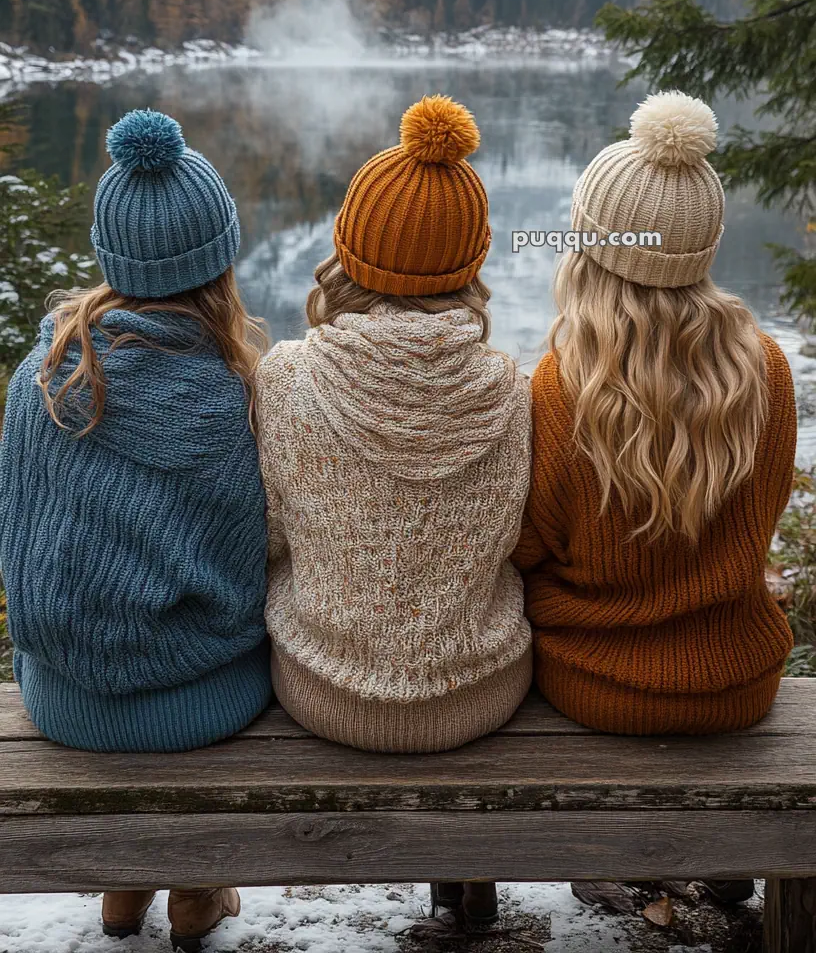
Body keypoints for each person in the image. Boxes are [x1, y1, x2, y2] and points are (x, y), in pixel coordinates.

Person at [255, 94, 532, 937]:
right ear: (473, 262)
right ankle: (467, 878)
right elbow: (516, 544)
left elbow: (267, 538)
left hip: (323, 689)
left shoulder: (285, 377)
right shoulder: (515, 391)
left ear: (347, 252)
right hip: (478, 692)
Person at [514, 90, 797, 914]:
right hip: (740, 681)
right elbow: (762, 518)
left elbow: (529, 550)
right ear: (704, 246)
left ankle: (625, 859)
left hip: (598, 684)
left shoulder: (561, 386)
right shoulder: (769, 373)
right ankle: (713, 859)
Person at [0, 109, 271, 952]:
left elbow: (19, 546)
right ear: (218, 265)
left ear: (109, 258)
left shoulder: (40, 379)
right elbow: (247, 582)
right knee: (244, 625)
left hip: (67, 697)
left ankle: (126, 889)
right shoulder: (233, 398)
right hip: (200, 703)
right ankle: (196, 889)